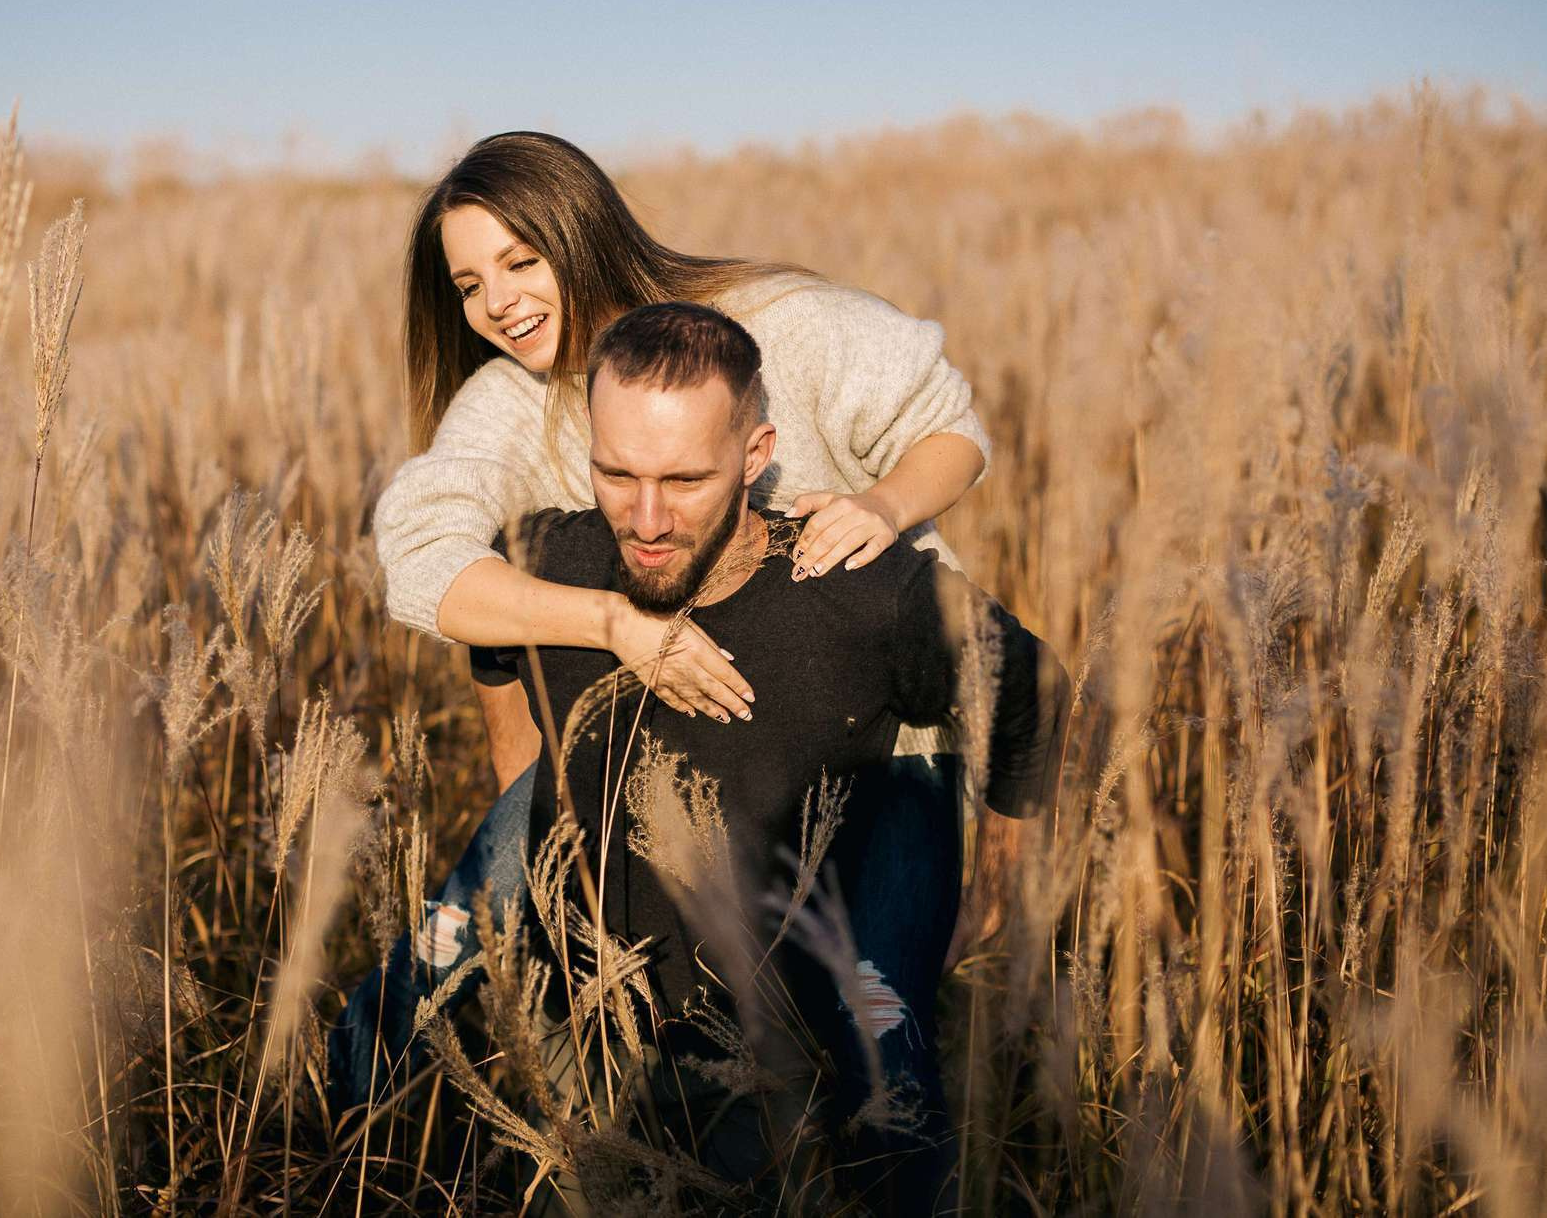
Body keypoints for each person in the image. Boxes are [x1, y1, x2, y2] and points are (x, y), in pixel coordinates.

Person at [335, 132, 999, 1131]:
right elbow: (426, 562)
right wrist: (609, 630)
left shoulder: (779, 323)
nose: (498, 302)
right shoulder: (508, 406)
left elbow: (949, 426)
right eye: (469, 284)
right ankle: (335, 1136)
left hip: (880, 751)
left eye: (521, 261)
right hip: (669, 745)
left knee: (877, 1037)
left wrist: (883, 503)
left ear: (581, 231)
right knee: (448, 942)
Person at [397, 302, 1069, 1207]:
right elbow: (490, 644)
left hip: (772, 1059)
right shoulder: (548, 558)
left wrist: (998, 888)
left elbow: (1032, 687)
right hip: (584, 1039)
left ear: (756, 457)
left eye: (684, 479)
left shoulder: (862, 593)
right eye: (616, 472)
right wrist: (526, 787)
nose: (646, 518)